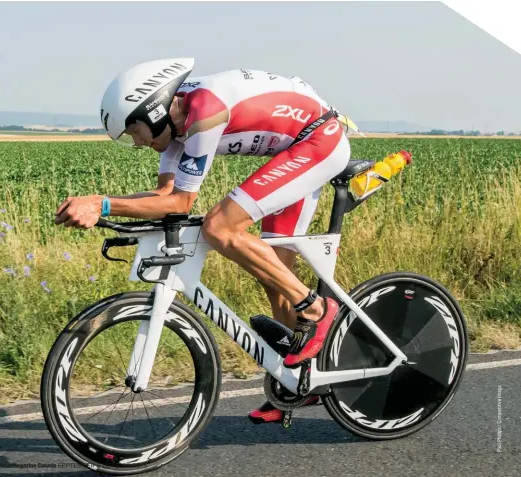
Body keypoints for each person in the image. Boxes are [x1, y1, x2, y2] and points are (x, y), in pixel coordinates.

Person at [55, 58, 355, 424]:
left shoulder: (204, 111)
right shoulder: (172, 132)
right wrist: (102, 210)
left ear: (154, 110)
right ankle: (297, 383)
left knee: (220, 228)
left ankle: (318, 310)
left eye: (135, 131)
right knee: (274, 271)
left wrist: (101, 202)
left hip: (318, 139)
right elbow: (164, 197)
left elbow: (182, 202)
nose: (138, 142)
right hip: (292, 148)